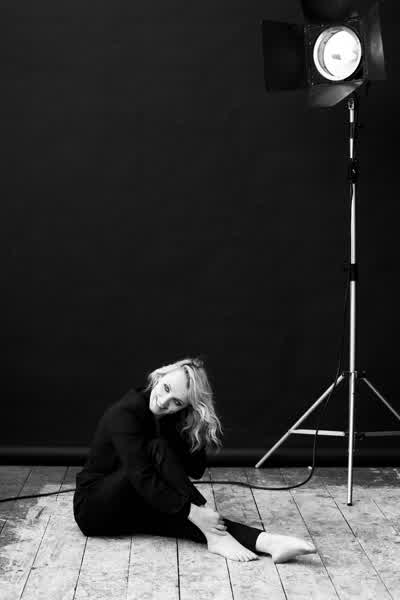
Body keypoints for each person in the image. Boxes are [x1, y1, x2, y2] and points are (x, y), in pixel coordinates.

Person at [73, 357, 316, 563]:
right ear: (160, 376)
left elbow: (195, 469)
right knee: (172, 477)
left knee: (194, 523)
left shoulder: (168, 416)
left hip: (134, 499)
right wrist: (196, 510)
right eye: (166, 388)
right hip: (95, 508)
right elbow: (142, 475)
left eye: (177, 402)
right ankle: (205, 514)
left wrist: (195, 423)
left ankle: (268, 542)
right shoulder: (125, 413)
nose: (164, 401)